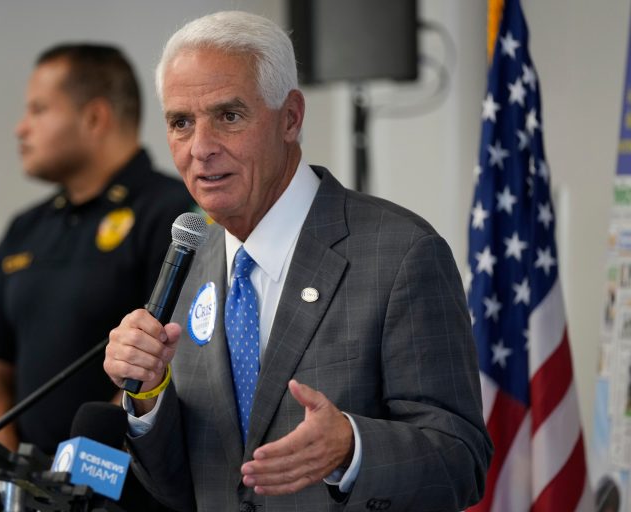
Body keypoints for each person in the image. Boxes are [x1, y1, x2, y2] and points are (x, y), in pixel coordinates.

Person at [103, 11, 492, 512]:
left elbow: (461, 462)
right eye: (181, 123)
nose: (200, 148)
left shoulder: (400, 253)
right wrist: (150, 396)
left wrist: (352, 447)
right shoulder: (189, 258)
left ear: (290, 117)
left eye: (229, 115)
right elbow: (182, 488)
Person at [0, 43, 194, 457]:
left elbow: (176, 361)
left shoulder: (176, 216)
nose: (21, 128)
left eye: (38, 109)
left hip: (125, 486)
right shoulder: (26, 227)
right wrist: (6, 478)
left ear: (94, 117)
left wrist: (77, 474)